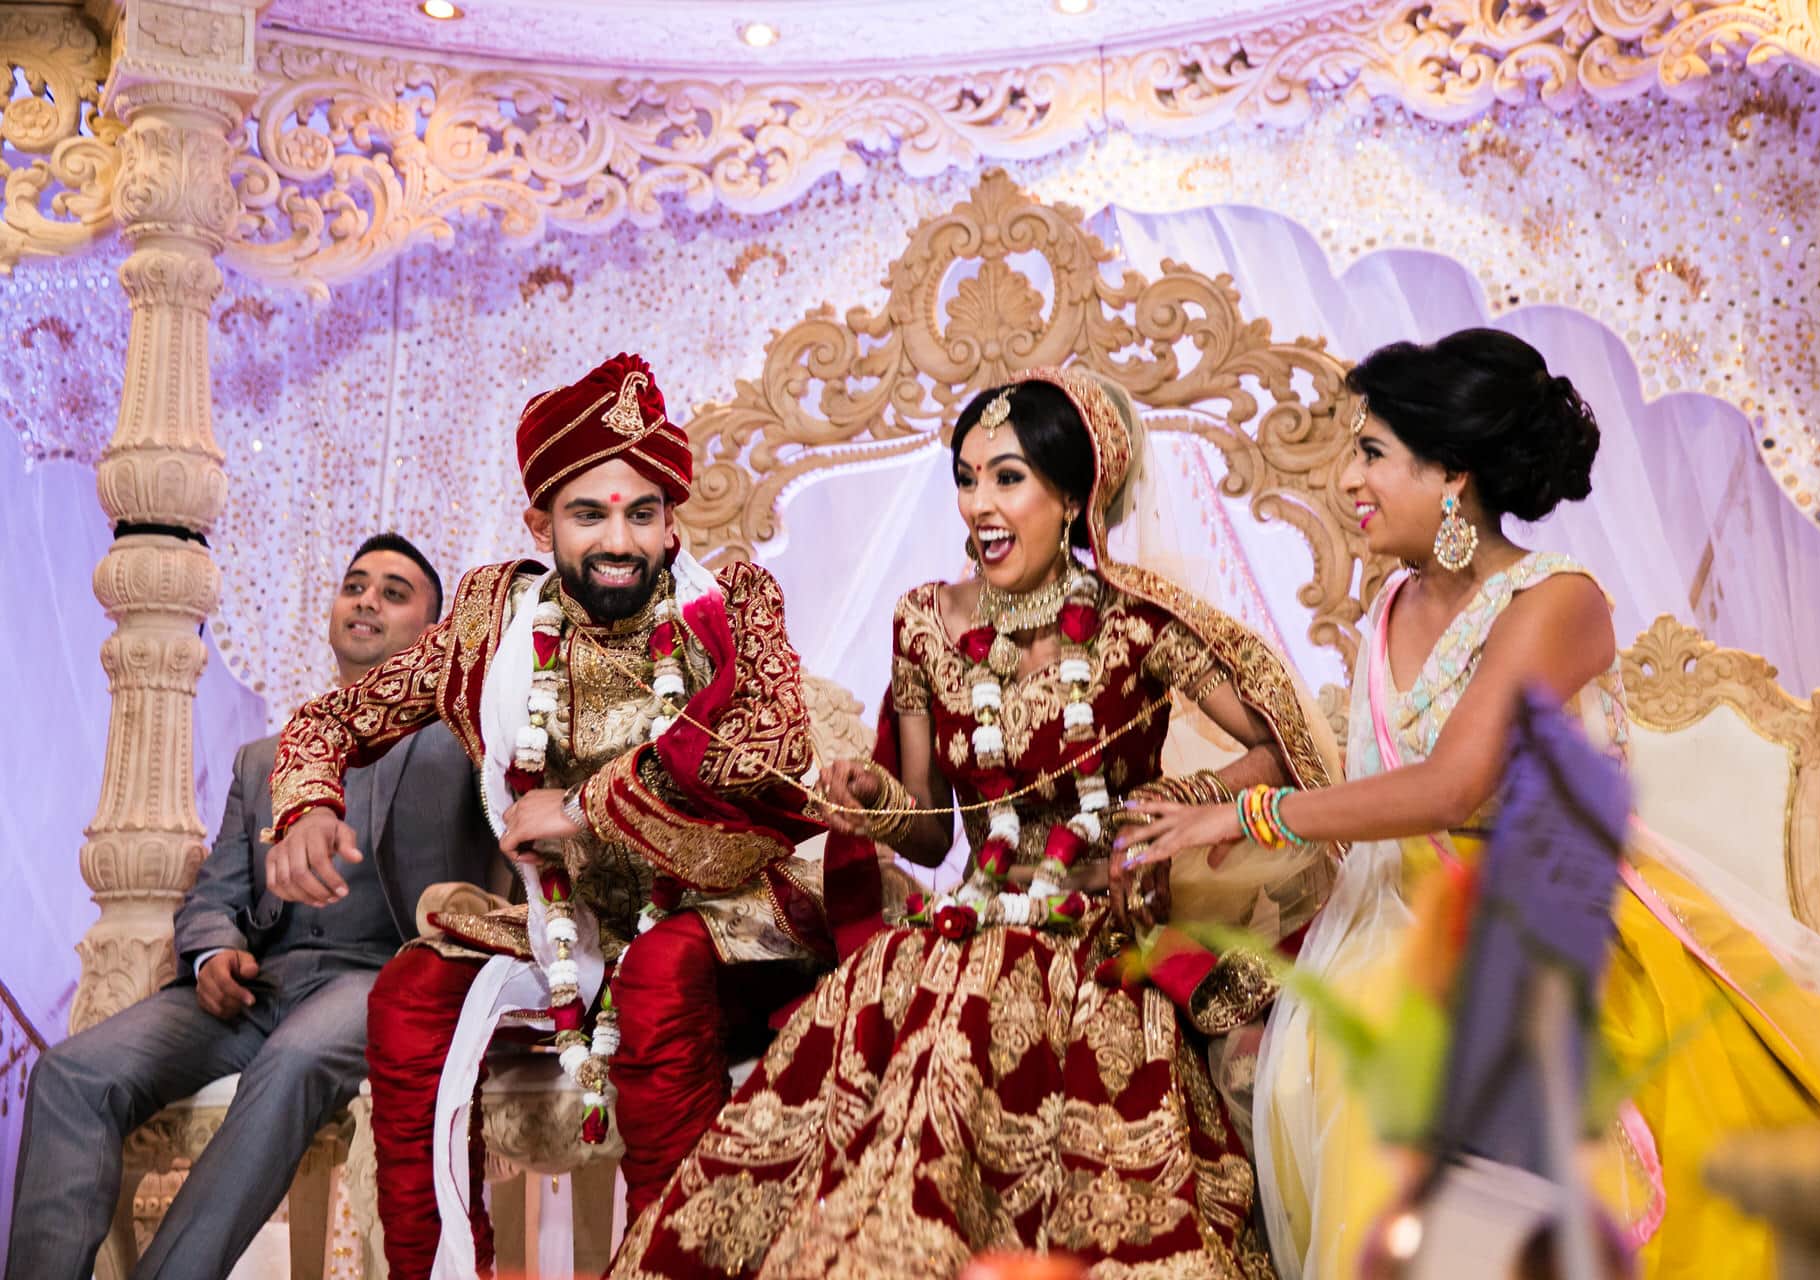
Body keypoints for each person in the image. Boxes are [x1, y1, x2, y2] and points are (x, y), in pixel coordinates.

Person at [1115, 328, 1820, 1279]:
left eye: (1371, 454)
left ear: (1452, 475)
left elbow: (1450, 787)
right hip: (1388, 916)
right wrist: (1206, 798)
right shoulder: (1391, 603)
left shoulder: (1557, 602)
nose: (1346, 480)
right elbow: (1368, 776)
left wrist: (1245, 818)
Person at [606, 365, 1343, 1279]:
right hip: (959, 918)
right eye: (965, 476)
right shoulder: (926, 621)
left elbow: (1282, 745)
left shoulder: (1133, 622)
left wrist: (1185, 804)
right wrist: (877, 800)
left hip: (1095, 930)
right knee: (887, 1056)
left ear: (1072, 496)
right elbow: (928, 830)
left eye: (1008, 477)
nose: (978, 503)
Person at [265, 353, 828, 1278]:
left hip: (718, 910)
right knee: (409, 994)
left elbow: (768, 759)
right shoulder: (491, 631)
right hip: (566, 923)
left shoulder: (730, 611)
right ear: (541, 523)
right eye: (590, 514)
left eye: (642, 514)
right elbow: (334, 717)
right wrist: (306, 806)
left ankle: (668, 1263)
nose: (620, 539)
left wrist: (585, 806)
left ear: (670, 522)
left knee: (657, 971)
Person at [8, 534, 496, 1280]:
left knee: (293, 1060)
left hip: (381, 977)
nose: (366, 599)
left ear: (432, 637)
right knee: (72, 1075)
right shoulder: (265, 759)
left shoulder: (464, 744)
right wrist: (211, 953)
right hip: (255, 986)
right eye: (356, 586)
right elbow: (215, 892)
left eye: (394, 593)